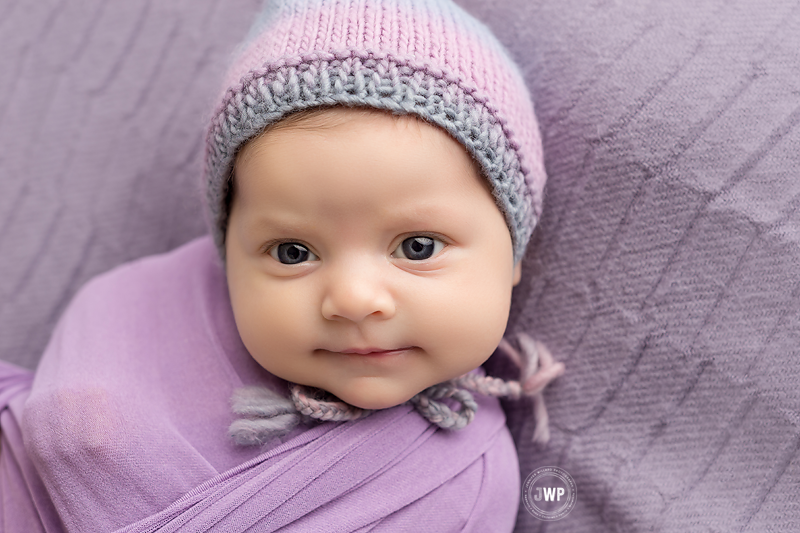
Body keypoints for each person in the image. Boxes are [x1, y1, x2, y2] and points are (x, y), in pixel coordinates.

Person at [0, 0, 563, 530]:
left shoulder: (465, 488)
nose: (353, 298)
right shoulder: (144, 305)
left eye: (417, 247)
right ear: (231, 255)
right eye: (294, 253)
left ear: (512, 251)